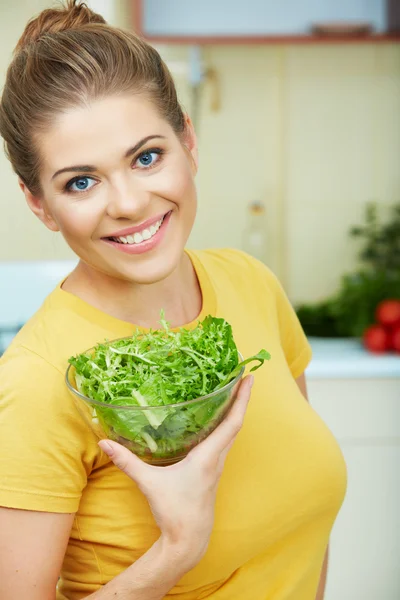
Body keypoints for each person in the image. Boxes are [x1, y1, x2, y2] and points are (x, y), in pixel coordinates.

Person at [0, 2, 347, 599]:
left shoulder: (251, 284)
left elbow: (300, 531)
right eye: (80, 181)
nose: (129, 203)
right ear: (39, 204)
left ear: (187, 139)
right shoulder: (39, 382)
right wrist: (177, 550)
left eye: (146, 156)